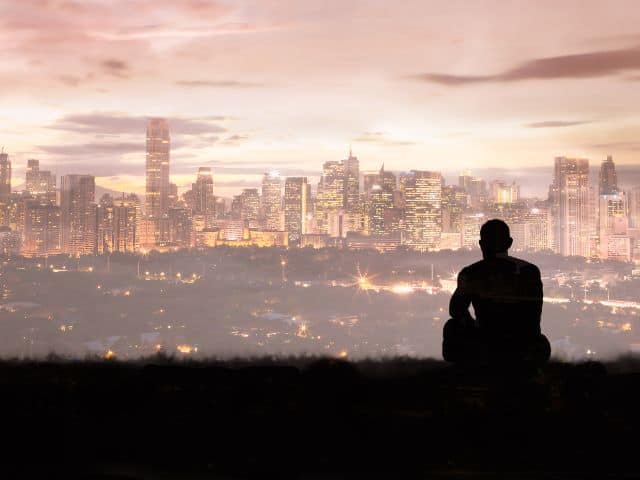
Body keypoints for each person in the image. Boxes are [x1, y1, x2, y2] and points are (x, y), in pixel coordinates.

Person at [443, 219, 551, 365]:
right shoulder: (529, 271)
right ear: (509, 243)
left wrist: (476, 326)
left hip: (485, 344)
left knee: (452, 326)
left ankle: (464, 375)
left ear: (481, 244)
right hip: (524, 348)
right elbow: (534, 315)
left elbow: (456, 311)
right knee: (539, 340)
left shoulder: (471, 273)